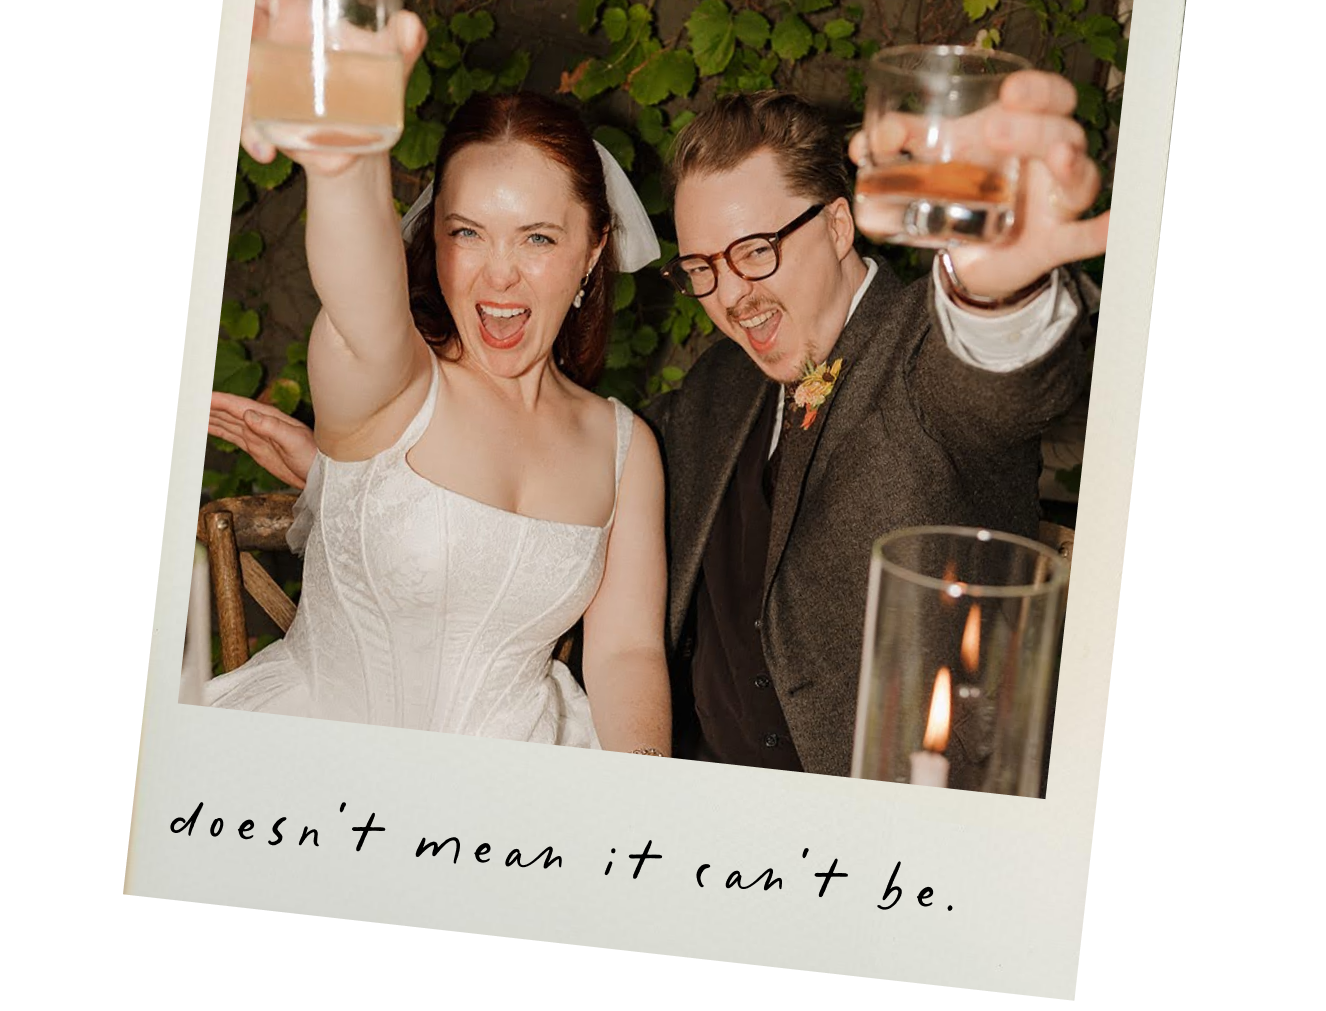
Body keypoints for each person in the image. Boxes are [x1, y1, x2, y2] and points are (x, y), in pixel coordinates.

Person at [216, 72, 1102, 776]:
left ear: (839, 226)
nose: (733, 295)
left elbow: (999, 385)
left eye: (756, 250)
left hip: (892, 813)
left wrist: (998, 292)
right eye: (703, 267)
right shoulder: (716, 390)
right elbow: (502, 502)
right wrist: (351, 476)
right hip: (692, 808)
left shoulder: (923, 355)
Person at [204, 0, 671, 755]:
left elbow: (627, 655)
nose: (498, 276)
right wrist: (348, 150)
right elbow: (357, 287)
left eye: (538, 238)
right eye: (467, 233)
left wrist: (636, 802)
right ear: (433, 235)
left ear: (593, 251)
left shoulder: (625, 447)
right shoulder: (389, 380)